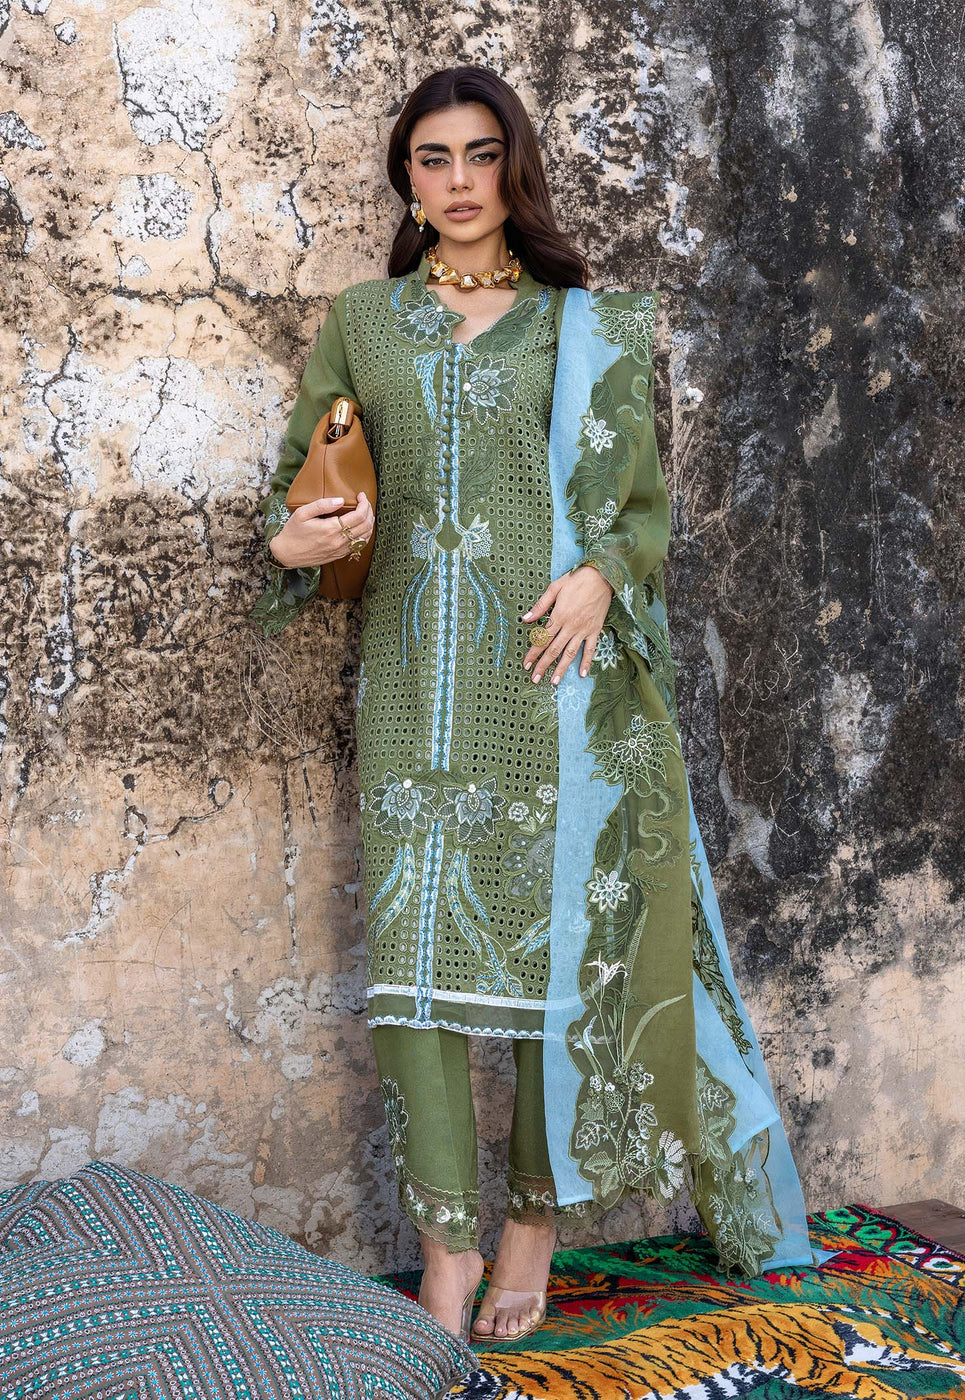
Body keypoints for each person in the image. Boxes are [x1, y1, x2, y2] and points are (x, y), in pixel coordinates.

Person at [250, 63, 830, 1347]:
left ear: (515, 170)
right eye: (432, 159)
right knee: (416, 977)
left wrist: (600, 577)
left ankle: (531, 1222)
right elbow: (300, 487)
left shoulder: (586, 327)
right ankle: (444, 1249)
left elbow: (640, 516)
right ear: (407, 179)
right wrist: (295, 541)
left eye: (480, 154)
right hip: (411, 686)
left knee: (553, 966)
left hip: (550, 685)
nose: (458, 181)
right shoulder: (362, 321)